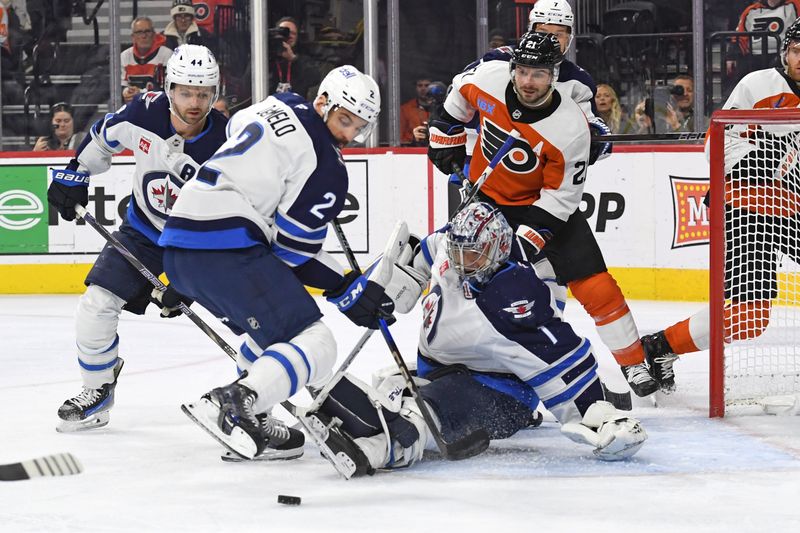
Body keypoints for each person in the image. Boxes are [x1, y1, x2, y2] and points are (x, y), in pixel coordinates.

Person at [158, 65, 419, 460]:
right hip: (226, 247)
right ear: (323, 103)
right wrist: (347, 288)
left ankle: (252, 414)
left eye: (359, 126)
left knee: (271, 333)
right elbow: (293, 253)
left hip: (180, 249)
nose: (348, 134)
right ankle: (238, 400)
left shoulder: (280, 103)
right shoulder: (329, 169)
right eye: (345, 120)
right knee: (315, 341)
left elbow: (237, 130)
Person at [301, 203, 647, 478]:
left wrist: (600, 415)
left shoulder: (510, 295)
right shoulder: (449, 248)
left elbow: (562, 353)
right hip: (444, 369)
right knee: (394, 386)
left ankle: (381, 448)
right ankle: (373, 418)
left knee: (426, 409)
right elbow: (425, 250)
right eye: (458, 251)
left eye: (473, 255)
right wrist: (390, 288)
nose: (461, 262)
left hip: (499, 394)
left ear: (496, 251)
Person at [427, 32, 658, 397]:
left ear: (553, 75)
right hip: (485, 198)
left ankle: (634, 363)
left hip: (542, 204)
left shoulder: (569, 127)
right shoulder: (487, 79)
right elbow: (458, 94)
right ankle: (459, 363)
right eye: (522, 71)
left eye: (538, 74)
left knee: (595, 284)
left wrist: (525, 241)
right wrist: (446, 133)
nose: (527, 82)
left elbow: (560, 198)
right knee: (464, 281)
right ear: (512, 68)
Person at [47, 45, 228, 433]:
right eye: (185, 92)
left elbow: (233, 217)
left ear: (214, 94)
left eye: (203, 93)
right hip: (143, 230)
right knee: (97, 303)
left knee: (249, 318)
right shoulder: (143, 113)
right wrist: (75, 173)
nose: (194, 103)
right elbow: (102, 137)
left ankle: (259, 395)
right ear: (168, 88)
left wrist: (186, 283)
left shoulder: (228, 144)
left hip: (202, 244)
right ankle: (97, 389)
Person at [642, 16, 800, 393]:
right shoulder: (759, 85)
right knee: (750, 316)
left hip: (790, 206)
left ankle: (660, 345)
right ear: (785, 53)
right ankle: (660, 346)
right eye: (796, 51)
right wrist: (760, 159)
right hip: (745, 202)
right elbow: (717, 142)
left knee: (749, 319)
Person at [121, 17, 173, 104]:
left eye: (147, 31)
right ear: (133, 37)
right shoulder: (124, 56)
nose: (143, 36)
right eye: (139, 32)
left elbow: (167, 90)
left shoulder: (167, 55)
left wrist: (140, 94)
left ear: (154, 35)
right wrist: (127, 92)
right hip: (132, 108)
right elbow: (120, 86)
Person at [268, 16, 321, 101]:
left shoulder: (304, 59)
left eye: (293, 33)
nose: (289, 36)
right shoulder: (266, 59)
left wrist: (294, 59)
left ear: (297, 37)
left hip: (296, 109)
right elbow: (247, 84)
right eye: (284, 32)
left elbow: (315, 78)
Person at [400, 77, 431, 145]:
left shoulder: (441, 108)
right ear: (415, 88)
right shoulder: (405, 109)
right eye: (420, 85)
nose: (423, 88)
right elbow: (400, 139)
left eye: (427, 85)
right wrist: (413, 139)